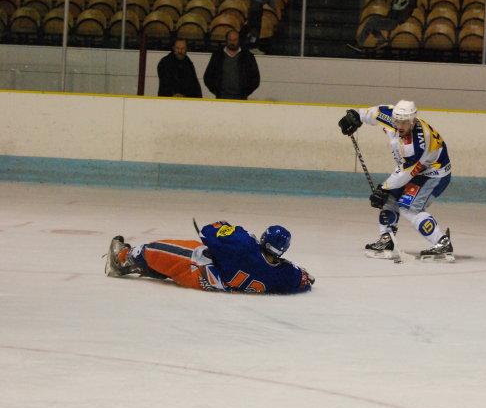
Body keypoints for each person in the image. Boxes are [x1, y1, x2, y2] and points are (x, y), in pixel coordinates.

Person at [338, 100, 454, 260]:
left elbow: (405, 173)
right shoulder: (392, 116)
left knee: (409, 207)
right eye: (397, 121)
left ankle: (442, 242)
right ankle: (386, 239)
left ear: (412, 120)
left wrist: (383, 188)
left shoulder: (417, 145)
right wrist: (357, 115)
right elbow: (376, 112)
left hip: (434, 173)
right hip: (414, 170)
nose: (399, 125)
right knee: (389, 199)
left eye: (404, 122)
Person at [104, 221, 314, 294]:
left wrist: (230, 228)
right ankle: (139, 267)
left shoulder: (244, 245)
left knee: (154, 250)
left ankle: (121, 260)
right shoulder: (285, 275)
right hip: (212, 283)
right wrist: (302, 274)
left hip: (198, 268)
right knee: (167, 264)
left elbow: (207, 232)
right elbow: (304, 280)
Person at [349, 0, 418, 51]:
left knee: (372, 23)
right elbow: (390, 5)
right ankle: (381, 40)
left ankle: (359, 44)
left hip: (394, 21)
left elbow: (410, 8)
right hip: (389, 18)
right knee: (372, 19)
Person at [203, 30, 260, 100]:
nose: (232, 42)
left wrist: (245, 93)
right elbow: (208, 77)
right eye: (230, 40)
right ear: (226, 40)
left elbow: (255, 78)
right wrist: (217, 92)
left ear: (239, 40)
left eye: (235, 40)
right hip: (221, 98)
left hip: (241, 98)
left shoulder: (248, 56)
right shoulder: (217, 55)